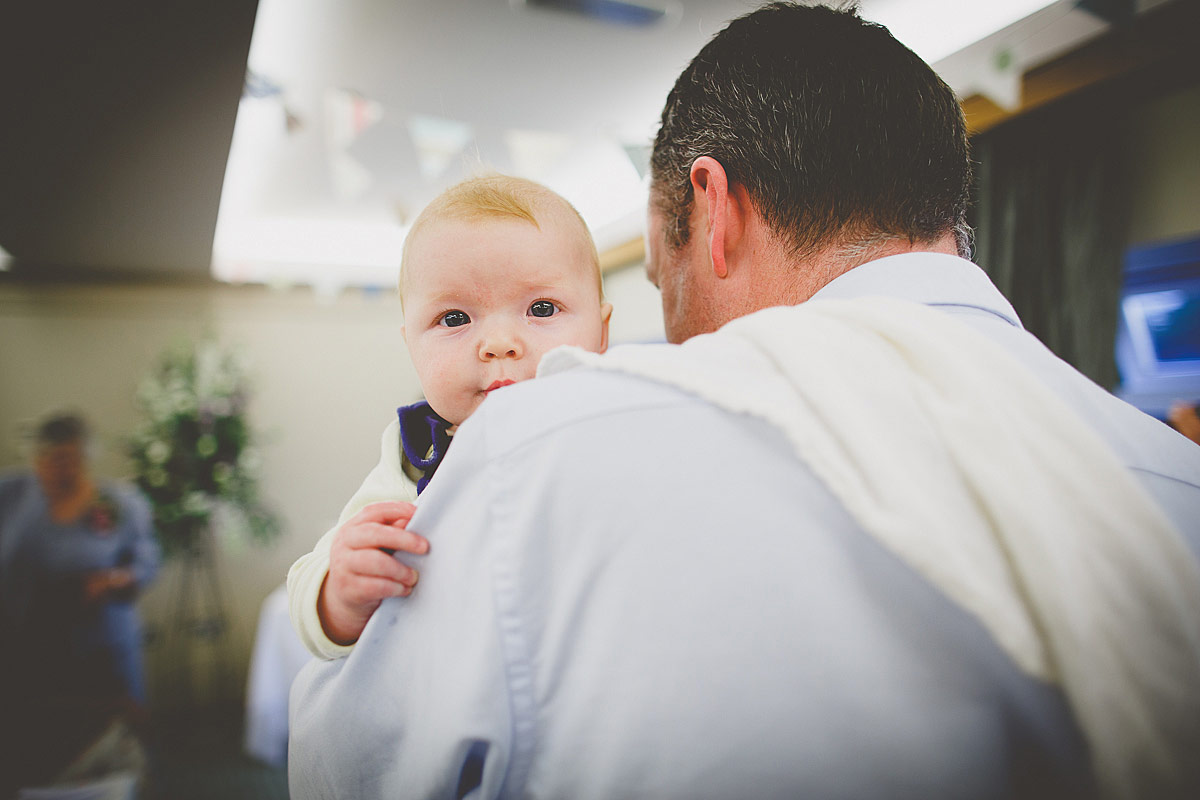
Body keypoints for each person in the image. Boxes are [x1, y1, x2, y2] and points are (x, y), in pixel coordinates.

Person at [288, 4, 1200, 799]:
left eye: (658, 273)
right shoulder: (1177, 485)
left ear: (713, 212)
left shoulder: (541, 450)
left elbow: (345, 773)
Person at [286, 174, 613, 658]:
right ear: (411, 348)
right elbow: (308, 576)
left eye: (541, 308)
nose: (499, 343)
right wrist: (339, 594)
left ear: (602, 333)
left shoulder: (621, 425)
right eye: (455, 318)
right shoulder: (416, 456)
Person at [0, 412, 160, 791]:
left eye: (68, 459)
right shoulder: (13, 495)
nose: (58, 469)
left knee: (113, 750)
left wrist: (116, 578)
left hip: (103, 645)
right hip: (31, 647)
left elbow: (146, 560)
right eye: (48, 459)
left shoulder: (117, 504)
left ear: (85, 458)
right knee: (41, 752)